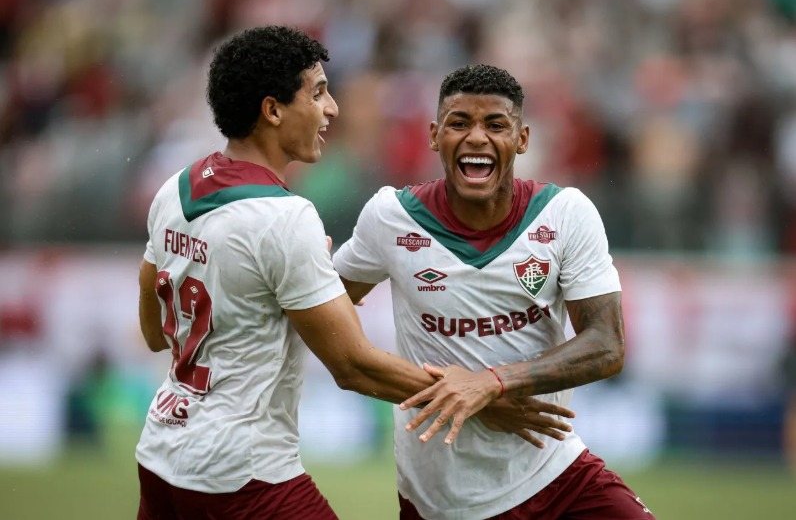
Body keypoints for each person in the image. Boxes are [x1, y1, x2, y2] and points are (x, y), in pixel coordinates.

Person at [135, 27, 572, 520]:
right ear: (273, 110)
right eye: (318, 93)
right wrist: (480, 398)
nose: (332, 108)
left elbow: (154, 332)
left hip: (161, 456)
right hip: (241, 472)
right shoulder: (284, 218)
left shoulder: (176, 188)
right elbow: (353, 366)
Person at [333, 64, 656, 520]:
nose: (477, 138)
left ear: (522, 139)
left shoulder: (565, 214)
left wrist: (492, 384)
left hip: (556, 472)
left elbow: (607, 344)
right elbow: (326, 313)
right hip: (443, 501)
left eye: (496, 125)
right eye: (459, 123)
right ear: (434, 136)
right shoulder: (391, 217)